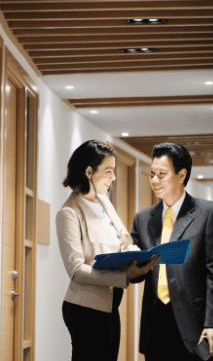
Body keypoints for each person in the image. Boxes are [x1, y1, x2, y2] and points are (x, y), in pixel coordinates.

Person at [56, 140, 160, 361]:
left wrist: (139, 256)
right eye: (109, 171)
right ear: (89, 172)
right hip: (84, 309)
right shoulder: (68, 213)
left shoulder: (104, 202)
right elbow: (75, 270)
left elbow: (124, 241)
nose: (114, 178)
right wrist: (124, 275)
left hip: (111, 304)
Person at [130, 142, 213, 361]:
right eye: (152, 174)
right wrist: (125, 265)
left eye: (162, 174)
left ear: (181, 174)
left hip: (195, 327)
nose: (154, 180)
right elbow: (136, 272)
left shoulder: (208, 213)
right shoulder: (143, 219)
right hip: (155, 326)